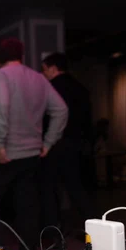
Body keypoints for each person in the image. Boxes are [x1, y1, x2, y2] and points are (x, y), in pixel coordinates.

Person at [0, 38, 68, 250]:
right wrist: (47, 142)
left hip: (4, 154)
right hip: (32, 154)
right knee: (27, 205)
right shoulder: (38, 78)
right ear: (22, 56)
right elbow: (61, 110)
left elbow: (1, 106)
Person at [40, 53, 95, 228]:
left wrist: (45, 142)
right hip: (77, 143)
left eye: (45, 69)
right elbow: (87, 119)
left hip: (56, 143)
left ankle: (53, 228)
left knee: (48, 186)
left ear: (53, 68)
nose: (43, 73)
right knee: (75, 186)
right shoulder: (80, 87)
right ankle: (96, 226)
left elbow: (48, 118)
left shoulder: (51, 88)